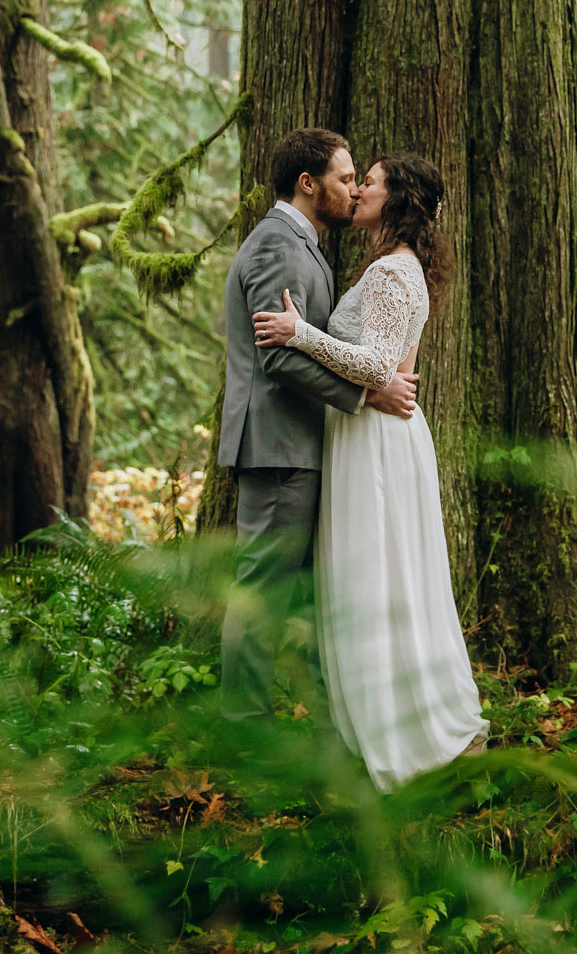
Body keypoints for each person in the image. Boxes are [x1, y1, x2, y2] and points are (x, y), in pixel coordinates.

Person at [252, 152, 489, 788]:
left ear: (399, 200)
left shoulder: (391, 271)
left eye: (372, 182)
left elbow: (380, 368)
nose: (358, 191)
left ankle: (403, 734)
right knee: (388, 575)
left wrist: (300, 332)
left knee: (380, 577)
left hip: (374, 439)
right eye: (356, 180)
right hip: (372, 434)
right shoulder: (395, 267)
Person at [217, 128, 418, 724]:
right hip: (278, 444)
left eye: (359, 179)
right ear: (309, 184)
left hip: (298, 443)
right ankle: (244, 730)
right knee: (262, 592)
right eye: (344, 178)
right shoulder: (278, 245)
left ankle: (327, 719)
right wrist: (366, 393)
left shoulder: (302, 243)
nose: (353, 190)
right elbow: (276, 356)